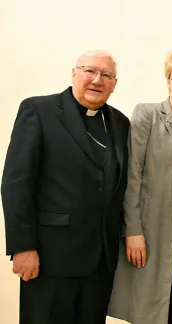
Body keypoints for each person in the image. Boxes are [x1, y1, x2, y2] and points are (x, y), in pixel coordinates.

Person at [1, 50, 130, 324]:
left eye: (106, 75)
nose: (97, 80)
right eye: (90, 71)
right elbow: (16, 183)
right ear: (74, 73)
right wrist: (23, 247)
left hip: (100, 261)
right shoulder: (39, 110)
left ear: (114, 84)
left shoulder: (120, 123)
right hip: (50, 258)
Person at [107, 49, 172, 324]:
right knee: (148, 308)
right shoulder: (147, 115)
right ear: (168, 81)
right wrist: (133, 230)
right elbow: (132, 175)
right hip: (151, 229)